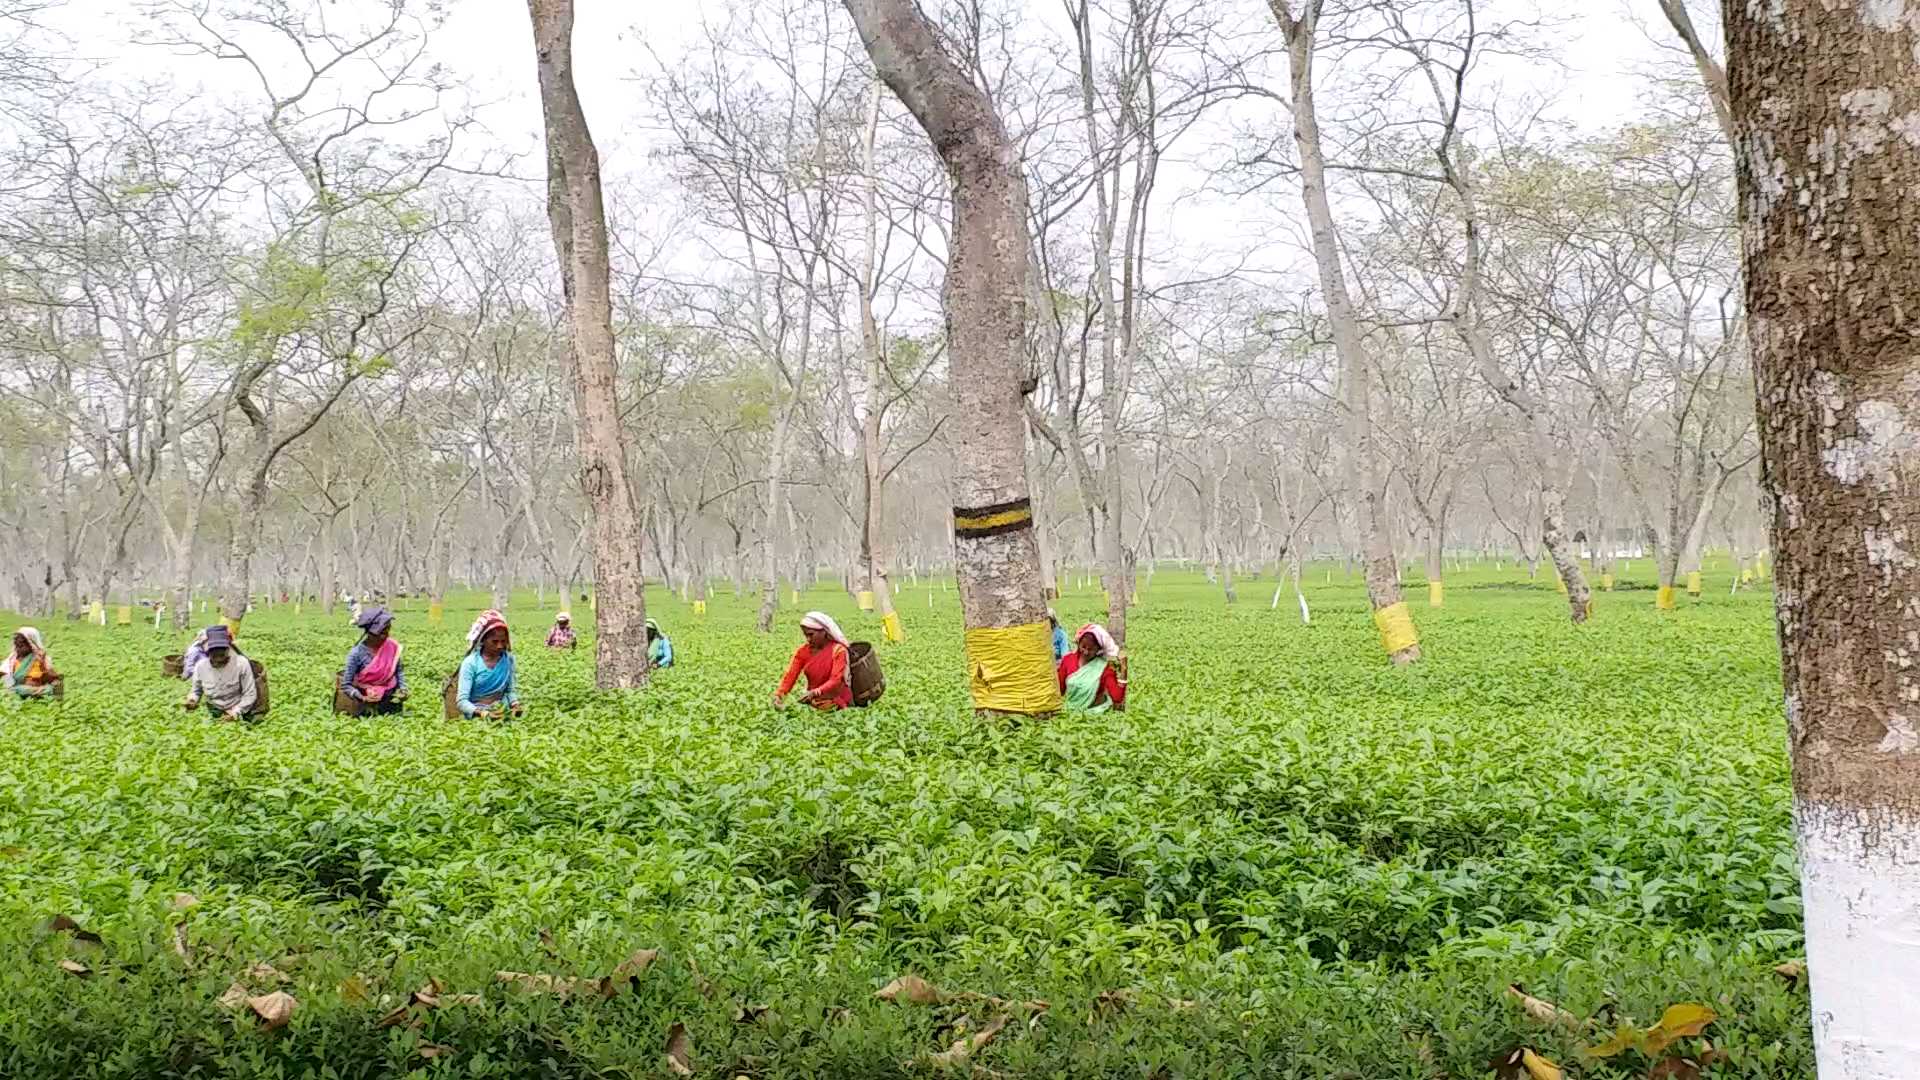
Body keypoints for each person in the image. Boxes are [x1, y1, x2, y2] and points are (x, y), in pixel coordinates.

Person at [773, 611, 850, 710]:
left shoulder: (838, 650)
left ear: (823, 632)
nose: (808, 639)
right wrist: (779, 695)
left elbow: (836, 679)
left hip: (837, 701)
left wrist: (815, 692)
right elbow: (791, 675)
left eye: (811, 635)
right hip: (813, 701)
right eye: (806, 635)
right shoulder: (803, 652)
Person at [340, 606, 408, 715]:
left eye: (387, 631)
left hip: (391, 700)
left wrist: (403, 689)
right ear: (370, 633)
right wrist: (362, 697)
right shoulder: (356, 654)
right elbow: (346, 685)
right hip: (365, 704)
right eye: (381, 633)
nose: (386, 636)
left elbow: (398, 671)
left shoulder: (391, 647)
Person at [182, 625, 258, 721]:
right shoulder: (201, 667)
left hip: (239, 709)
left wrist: (235, 712)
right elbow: (196, 691)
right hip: (214, 709)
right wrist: (192, 700)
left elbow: (250, 694)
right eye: (214, 652)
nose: (218, 656)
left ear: (228, 649)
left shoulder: (241, 664)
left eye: (221, 652)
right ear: (208, 651)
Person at [458, 609, 524, 719]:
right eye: (494, 641)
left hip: (502, 711)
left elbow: (510, 690)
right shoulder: (471, 663)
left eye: (503, 641)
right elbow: (462, 701)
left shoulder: (508, 659)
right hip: (476, 716)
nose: (500, 646)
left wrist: (515, 705)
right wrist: (484, 714)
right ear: (483, 640)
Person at [1057, 623, 1127, 713]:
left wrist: (1124, 670)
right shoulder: (1068, 660)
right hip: (1070, 712)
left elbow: (1117, 697)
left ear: (1098, 650)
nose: (1086, 652)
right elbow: (1059, 690)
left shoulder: (1104, 668)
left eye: (1091, 649)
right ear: (1078, 643)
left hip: (1096, 713)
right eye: (1083, 647)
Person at [6, 627, 59, 699]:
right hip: (19, 691)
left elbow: (54, 679)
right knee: (17, 690)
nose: (18, 648)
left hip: (38, 691)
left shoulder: (40, 658)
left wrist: (42, 664)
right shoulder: (11, 660)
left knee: (56, 688)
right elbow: (7, 681)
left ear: (31, 644)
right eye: (17, 645)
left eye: (22, 645)